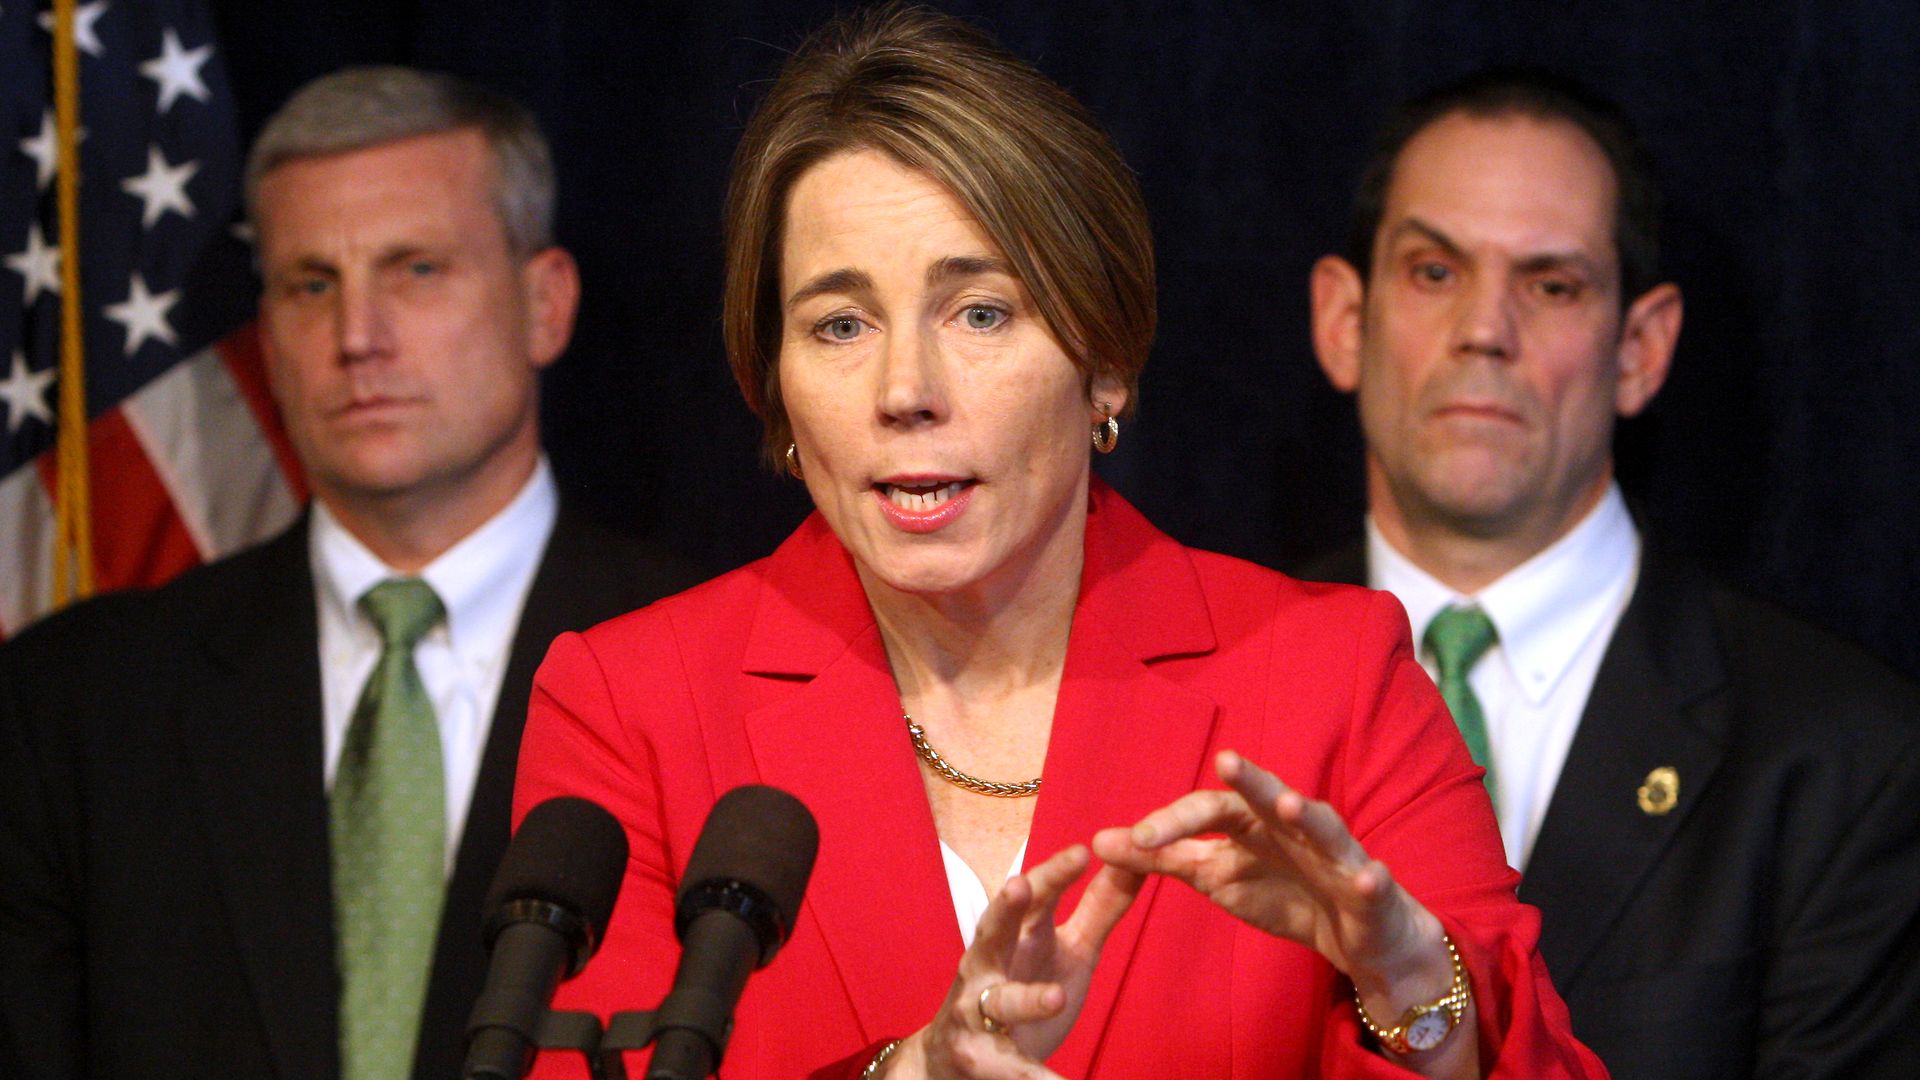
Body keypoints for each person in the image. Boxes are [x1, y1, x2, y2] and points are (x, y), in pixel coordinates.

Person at [514, 11, 1601, 1079]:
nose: (905, 391)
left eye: (980, 313)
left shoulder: (1331, 680)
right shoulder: (629, 708)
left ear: (1105, 363)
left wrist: (1410, 988)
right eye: (841, 324)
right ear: (777, 384)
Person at [0, 68, 693, 1080]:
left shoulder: (715, 666)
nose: (358, 337)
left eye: (416, 270)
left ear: (546, 304)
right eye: (311, 285)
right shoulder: (74, 703)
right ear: (269, 331)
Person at [1303, 68, 1920, 1077]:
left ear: (1640, 348)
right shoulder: (1208, 696)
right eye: (1433, 271)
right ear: (1343, 320)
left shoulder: (1846, 760)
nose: (1484, 330)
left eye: (1551, 285)